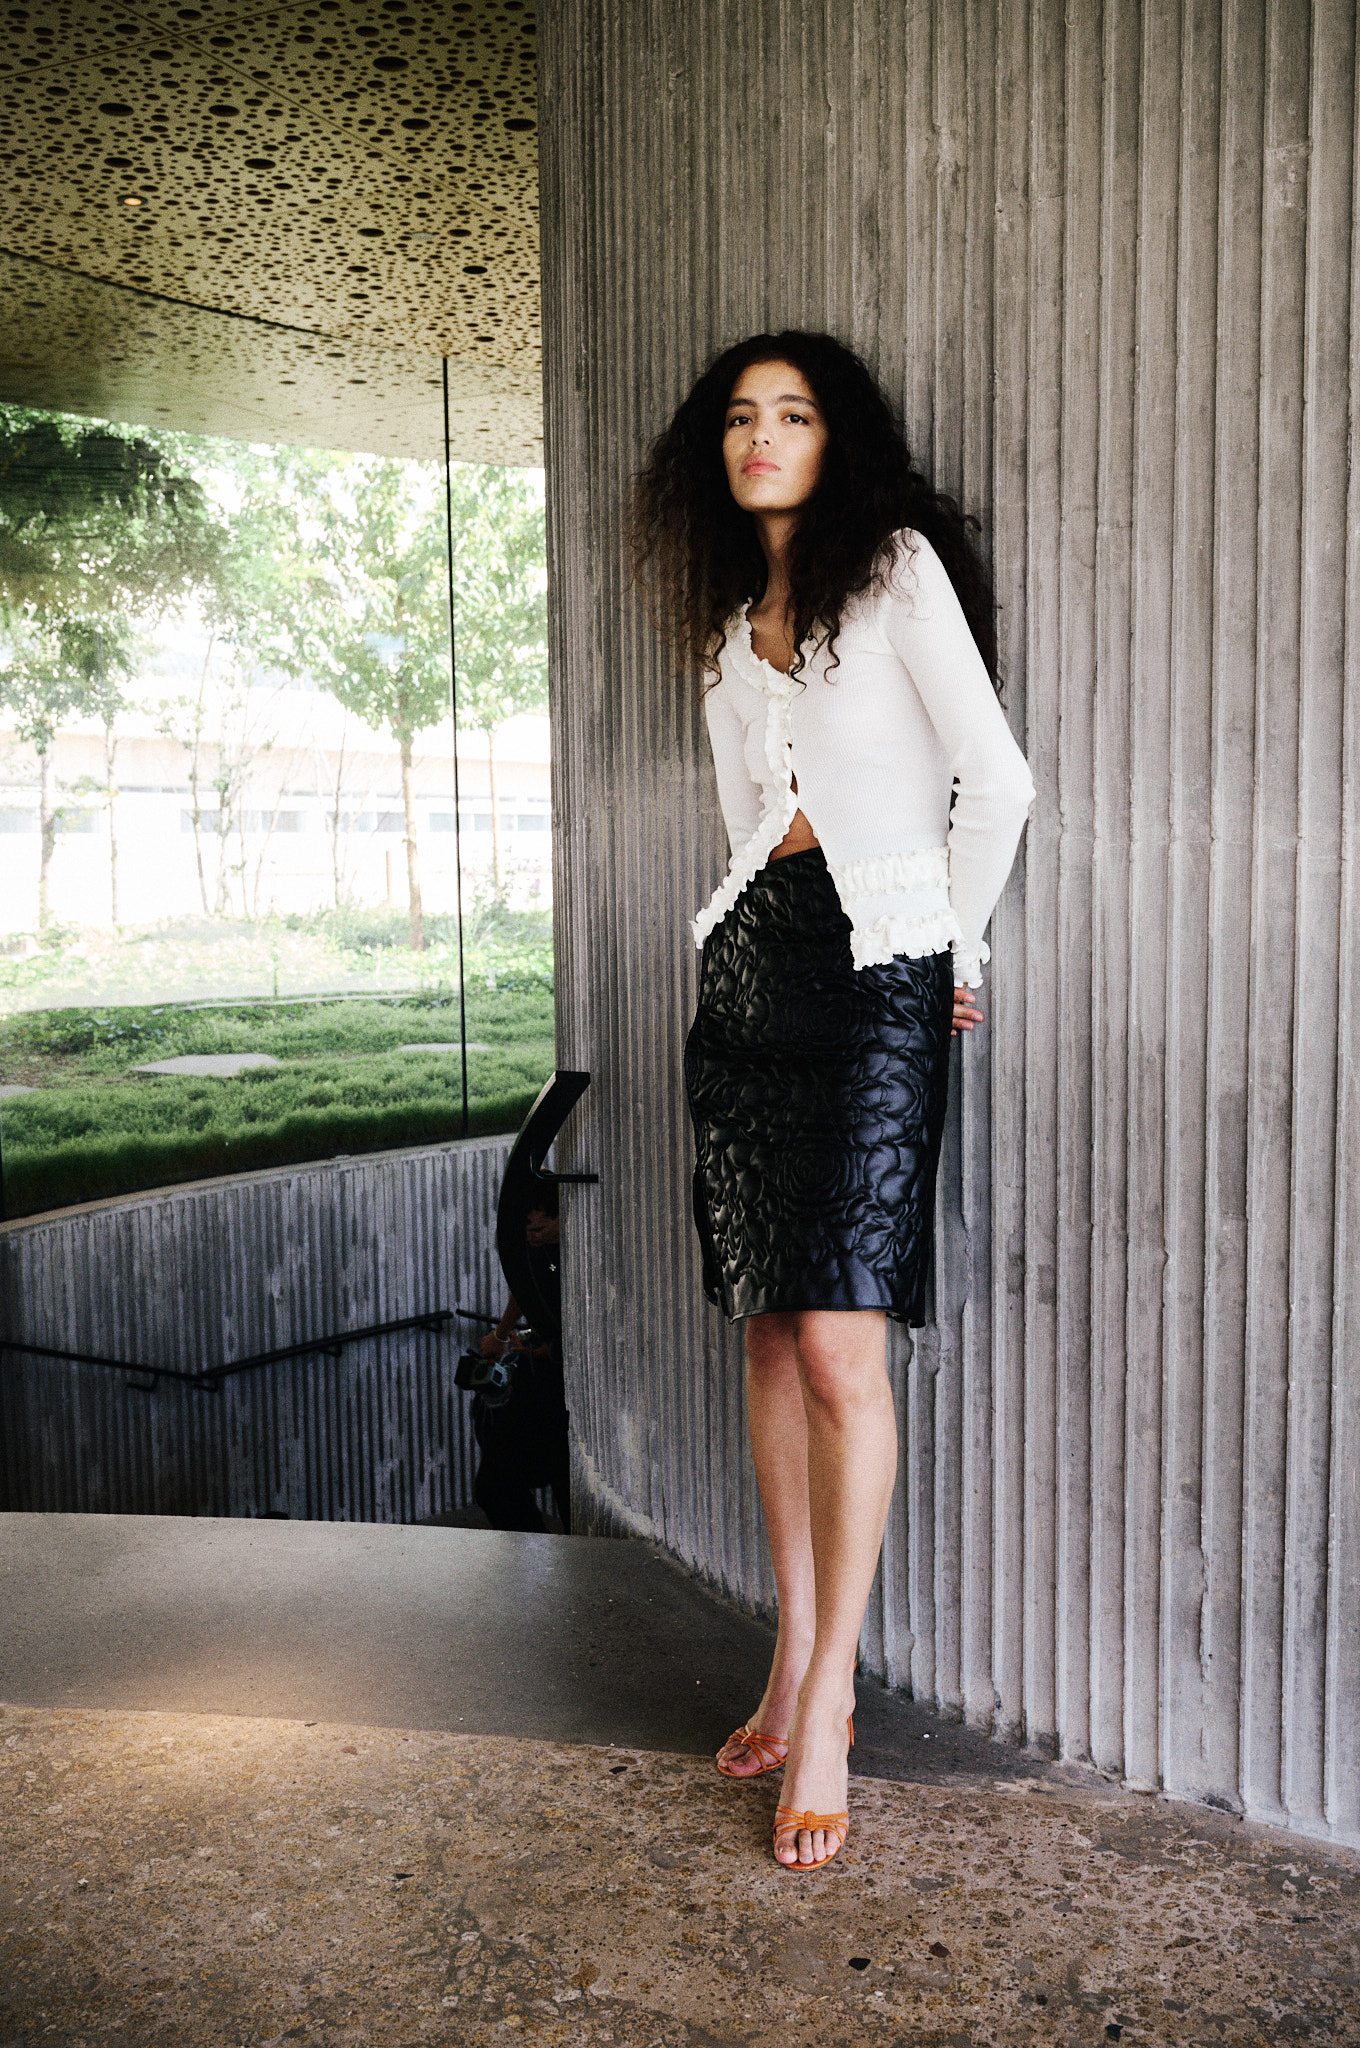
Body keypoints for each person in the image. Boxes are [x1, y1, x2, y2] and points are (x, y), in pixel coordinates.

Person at [634, 330, 1034, 1872]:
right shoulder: (727, 631)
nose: (761, 436)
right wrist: (733, 941)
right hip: (750, 981)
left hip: (879, 974)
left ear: (832, 438)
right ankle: (793, 1652)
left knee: (838, 1345)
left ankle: (832, 1701)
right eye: (741, 418)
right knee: (765, 1328)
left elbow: (996, 780)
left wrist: (950, 946)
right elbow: (749, 822)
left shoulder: (897, 574)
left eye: (790, 415)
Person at [472, 1191, 571, 1534]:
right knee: (492, 1486)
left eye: (538, 1230)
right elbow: (523, 1286)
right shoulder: (534, 1247)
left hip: (567, 1390)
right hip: (537, 1376)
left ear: (560, 1217)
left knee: (569, 1489)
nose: (530, 1238)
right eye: (525, 1231)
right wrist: (501, 1335)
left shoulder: (579, 1249)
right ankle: (539, 1549)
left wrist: (544, 1351)